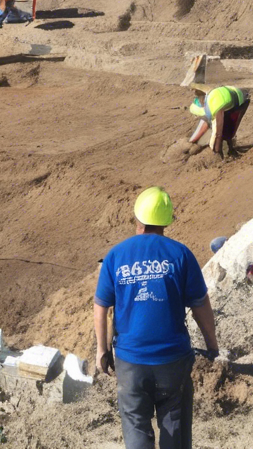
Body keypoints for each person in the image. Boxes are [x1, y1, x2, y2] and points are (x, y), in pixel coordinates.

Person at [95, 187, 220, 449]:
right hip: (173, 361)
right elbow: (200, 304)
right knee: (174, 424)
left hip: (131, 362)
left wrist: (102, 350)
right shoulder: (180, 254)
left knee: (135, 425)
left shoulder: (116, 256)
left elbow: (102, 306)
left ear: (137, 219)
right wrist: (212, 345)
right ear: (167, 221)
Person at [187, 85, 249, 156]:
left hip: (239, 103)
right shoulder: (210, 97)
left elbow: (217, 134)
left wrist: (215, 151)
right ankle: (229, 146)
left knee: (224, 131)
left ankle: (227, 151)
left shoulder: (214, 107)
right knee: (228, 128)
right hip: (239, 96)